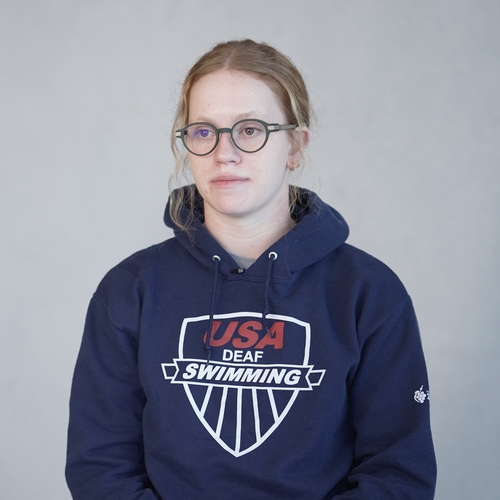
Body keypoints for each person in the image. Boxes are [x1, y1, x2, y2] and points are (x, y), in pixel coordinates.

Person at [66, 39, 437, 499]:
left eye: (250, 129)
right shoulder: (130, 290)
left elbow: (398, 473)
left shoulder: (368, 292)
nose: (224, 153)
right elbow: (100, 466)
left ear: (295, 145)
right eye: (204, 131)